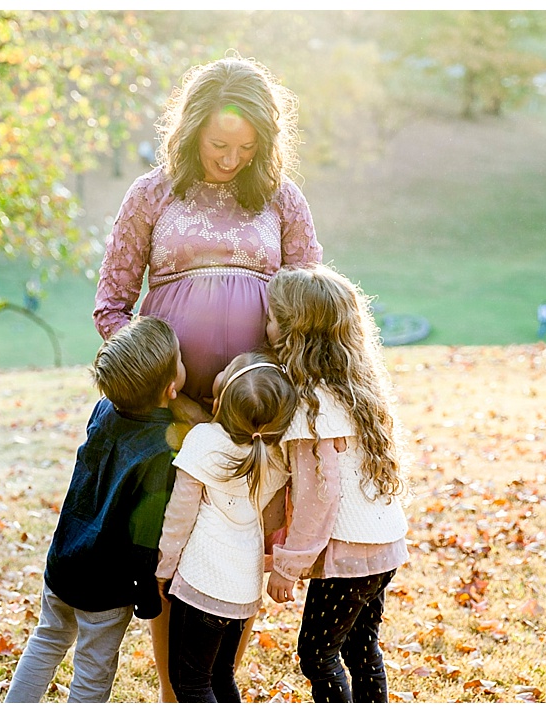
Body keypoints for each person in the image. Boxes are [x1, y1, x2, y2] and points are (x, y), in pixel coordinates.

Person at [92, 56, 323, 699]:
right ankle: (175, 693)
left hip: (253, 416)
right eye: (220, 144)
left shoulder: (282, 198)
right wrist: (160, 392)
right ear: (192, 130)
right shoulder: (153, 193)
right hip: (166, 417)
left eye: (247, 148)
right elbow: (112, 305)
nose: (230, 158)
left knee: (232, 552)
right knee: (169, 554)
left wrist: (276, 395)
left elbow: (310, 304)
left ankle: (212, 687)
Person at [5, 316, 185, 703]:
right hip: (107, 586)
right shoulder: (161, 450)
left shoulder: (103, 410)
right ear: (172, 388)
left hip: (65, 561)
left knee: (46, 640)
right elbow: (144, 538)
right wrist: (148, 600)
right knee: (92, 671)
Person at [264, 265, 410, 703]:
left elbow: (318, 498)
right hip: (384, 543)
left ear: (294, 333)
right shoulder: (353, 389)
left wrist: (288, 566)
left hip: (351, 550)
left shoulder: (310, 407)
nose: (264, 325)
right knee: (361, 647)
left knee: (316, 653)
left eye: (271, 317)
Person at [154, 351, 296, 702]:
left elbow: (179, 517)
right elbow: (274, 520)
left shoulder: (204, 441)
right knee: (220, 675)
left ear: (223, 401)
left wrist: (162, 568)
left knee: (189, 683)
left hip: (204, 581)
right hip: (244, 587)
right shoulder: (276, 455)